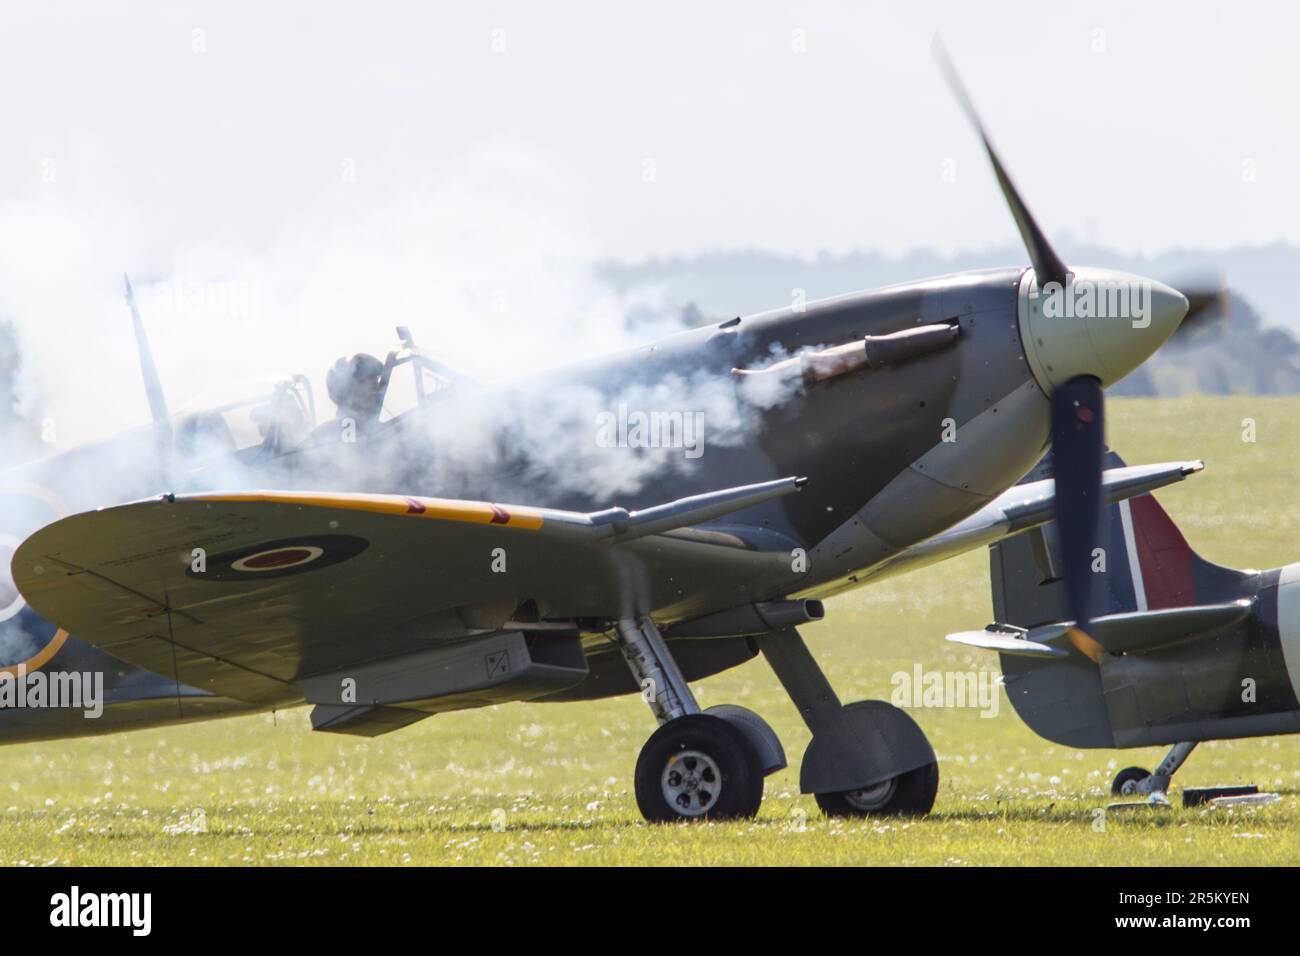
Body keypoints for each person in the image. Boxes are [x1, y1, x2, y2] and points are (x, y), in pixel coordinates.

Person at [326, 353, 387, 424]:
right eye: (362, 379)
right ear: (345, 390)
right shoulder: (329, 432)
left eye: (374, 377)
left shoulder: (388, 429)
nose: (373, 384)